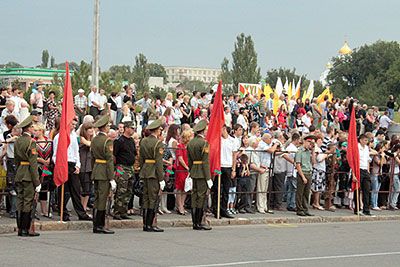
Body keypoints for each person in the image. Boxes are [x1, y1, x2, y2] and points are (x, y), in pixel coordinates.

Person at [53, 118, 91, 222]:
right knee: (64, 191)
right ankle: (63, 212)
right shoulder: (58, 137)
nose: (74, 126)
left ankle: (81, 213)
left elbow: (76, 152)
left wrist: (78, 165)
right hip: (63, 164)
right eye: (72, 124)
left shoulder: (74, 136)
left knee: (76, 190)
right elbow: (55, 155)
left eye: (75, 124)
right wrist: (59, 166)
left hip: (72, 164)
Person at [14, 116, 41, 236]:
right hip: (28, 175)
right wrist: (37, 182)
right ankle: (25, 228)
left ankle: (20, 228)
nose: (33, 129)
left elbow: (16, 160)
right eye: (32, 127)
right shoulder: (31, 142)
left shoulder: (18, 141)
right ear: (29, 128)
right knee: (27, 201)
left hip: (20, 172)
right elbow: (33, 164)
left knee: (20, 200)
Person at [91, 115, 117, 234]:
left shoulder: (94, 139)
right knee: (102, 199)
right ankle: (99, 225)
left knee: (97, 198)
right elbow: (109, 160)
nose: (108, 128)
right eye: (108, 126)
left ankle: (96, 224)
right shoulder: (107, 141)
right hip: (104, 173)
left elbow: (92, 158)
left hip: (96, 170)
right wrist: (111, 178)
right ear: (105, 127)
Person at [139, 119, 165, 232]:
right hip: (153, 172)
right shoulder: (158, 143)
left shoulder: (143, 141)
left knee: (146, 197)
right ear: (157, 130)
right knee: (153, 198)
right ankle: (150, 224)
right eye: (160, 129)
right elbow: (159, 163)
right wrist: (161, 178)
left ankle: (145, 224)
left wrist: (142, 169)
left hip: (145, 170)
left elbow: (141, 159)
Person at [187, 119, 213, 230]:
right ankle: (198, 223)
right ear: (203, 131)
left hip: (194, 171)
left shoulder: (190, 143)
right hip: (202, 173)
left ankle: (194, 222)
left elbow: (189, 161)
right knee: (201, 197)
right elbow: (205, 162)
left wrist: (191, 170)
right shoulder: (204, 143)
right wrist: (208, 178)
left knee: (194, 196)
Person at [113, 121, 136, 220]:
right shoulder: (119, 141)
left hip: (130, 167)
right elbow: (114, 155)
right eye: (131, 128)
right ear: (126, 128)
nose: (133, 130)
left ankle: (124, 210)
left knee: (129, 190)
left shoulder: (131, 140)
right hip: (122, 167)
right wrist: (117, 168)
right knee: (121, 190)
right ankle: (117, 211)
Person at [33, 123, 53, 218]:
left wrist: (49, 159)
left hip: (47, 168)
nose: (34, 132)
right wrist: (41, 160)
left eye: (36, 130)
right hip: (37, 167)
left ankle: (44, 211)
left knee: (45, 188)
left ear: (41, 131)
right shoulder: (33, 141)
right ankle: (34, 210)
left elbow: (52, 152)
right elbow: (32, 155)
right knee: (36, 188)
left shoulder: (49, 141)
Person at [295, 135, 316, 216]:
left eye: (311, 142)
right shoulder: (300, 151)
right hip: (302, 172)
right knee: (300, 193)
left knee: (306, 193)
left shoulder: (308, 152)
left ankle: (305, 208)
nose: (309, 144)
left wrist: (313, 151)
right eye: (308, 142)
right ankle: (299, 209)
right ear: (304, 141)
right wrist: (303, 176)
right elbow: (298, 165)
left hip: (309, 172)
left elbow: (313, 162)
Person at [353, 134, 373, 216]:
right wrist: (354, 174)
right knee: (357, 190)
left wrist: (368, 171)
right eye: (365, 140)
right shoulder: (357, 147)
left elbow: (368, 160)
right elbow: (353, 161)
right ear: (360, 140)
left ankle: (366, 209)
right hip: (358, 169)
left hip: (365, 170)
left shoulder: (366, 149)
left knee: (366, 190)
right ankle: (357, 209)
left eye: (367, 140)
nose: (366, 142)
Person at [78, 122, 95, 212]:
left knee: (88, 189)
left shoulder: (93, 139)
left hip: (90, 167)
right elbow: (90, 144)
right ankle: (82, 207)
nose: (92, 130)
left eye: (92, 128)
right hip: (83, 166)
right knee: (83, 189)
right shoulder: (81, 138)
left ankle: (84, 207)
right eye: (90, 128)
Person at [174, 130, 191, 215]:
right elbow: (180, 158)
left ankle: (182, 204)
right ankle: (179, 206)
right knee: (179, 187)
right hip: (181, 169)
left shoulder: (189, 146)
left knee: (186, 188)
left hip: (187, 169)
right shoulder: (179, 146)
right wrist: (187, 167)